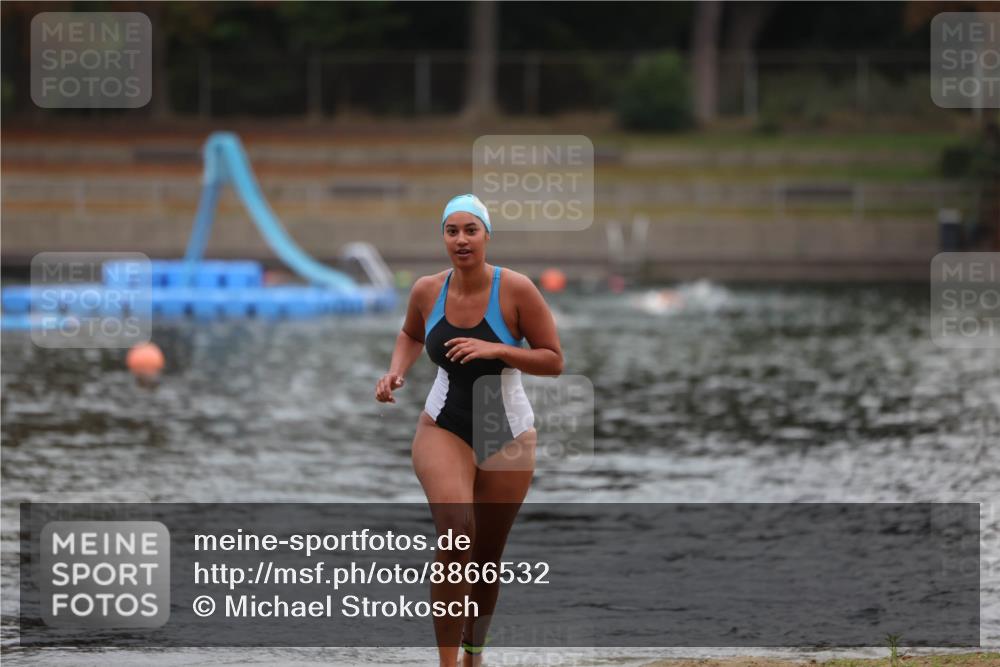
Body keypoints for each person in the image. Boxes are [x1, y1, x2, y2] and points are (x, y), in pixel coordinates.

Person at [376, 194, 564, 667]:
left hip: (509, 432)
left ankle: (474, 655)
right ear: (443, 236)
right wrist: (396, 371)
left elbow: (554, 361)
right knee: (457, 535)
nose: (461, 240)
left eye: (471, 230)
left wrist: (498, 351)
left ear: (486, 235)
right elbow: (412, 334)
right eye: (452, 231)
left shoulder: (517, 290)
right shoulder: (426, 290)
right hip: (443, 425)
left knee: (485, 557)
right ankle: (445, 664)